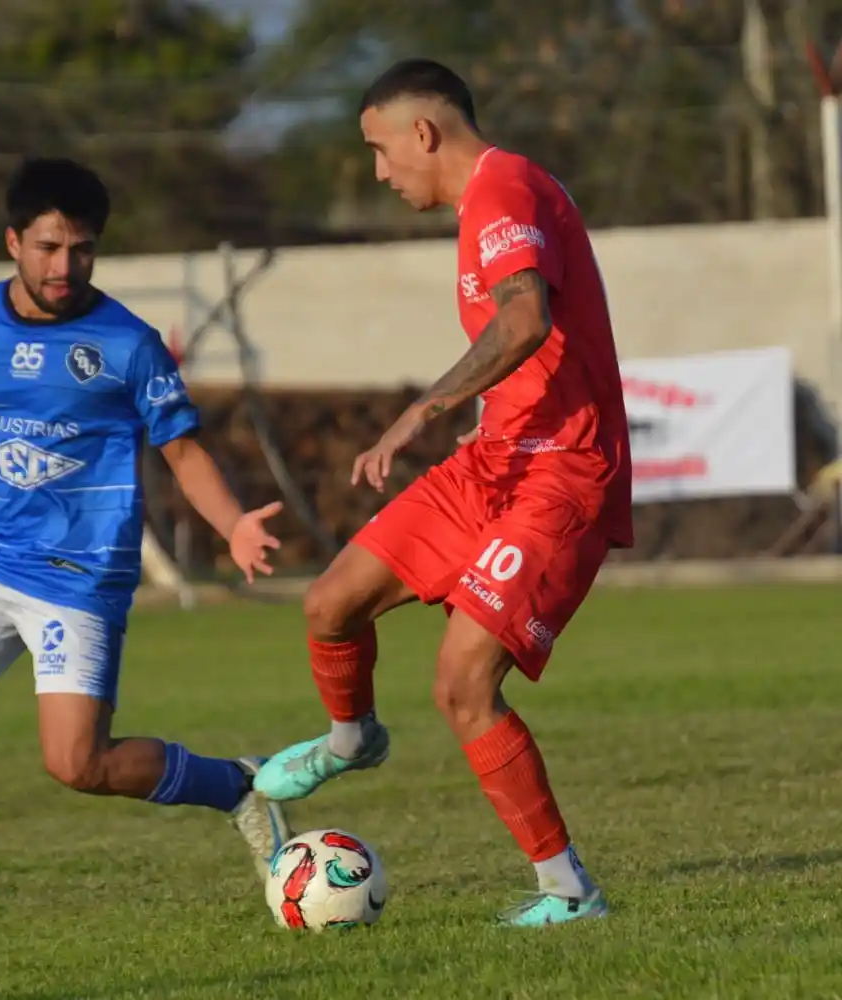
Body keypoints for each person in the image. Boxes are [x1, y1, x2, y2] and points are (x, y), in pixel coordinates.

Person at [253, 59, 633, 927]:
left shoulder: (504, 190)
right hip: (495, 459)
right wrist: (491, 414)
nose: (379, 172)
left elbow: (525, 317)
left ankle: (569, 892)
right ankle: (353, 738)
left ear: (423, 132)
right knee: (330, 604)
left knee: (463, 682)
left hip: (560, 472)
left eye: (379, 149)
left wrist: (423, 410)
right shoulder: (486, 203)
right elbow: (538, 347)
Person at [0, 157, 291, 880]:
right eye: (48, 247)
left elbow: (183, 452)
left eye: (82, 249)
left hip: (79, 575)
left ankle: (238, 785)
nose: (64, 267)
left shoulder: (128, 344)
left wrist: (234, 523)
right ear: (13, 241)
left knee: (79, 763)